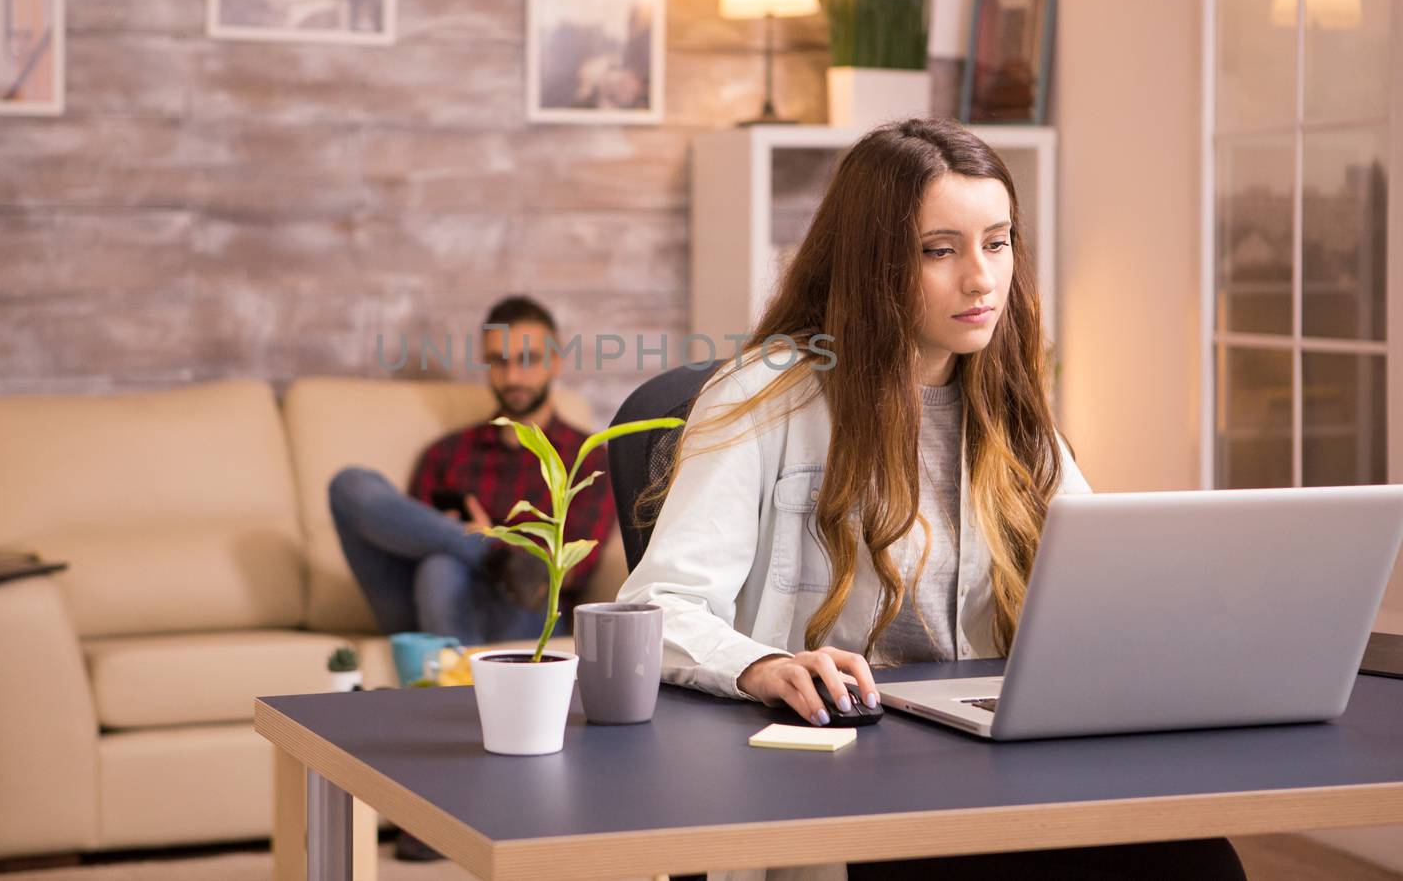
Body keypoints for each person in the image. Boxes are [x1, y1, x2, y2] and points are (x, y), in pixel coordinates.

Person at [618, 119, 1244, 881]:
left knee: (1196, 859)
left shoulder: (1015, 411)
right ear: (873, 263)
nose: (980, 278)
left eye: (998, 241)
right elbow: (659, 604)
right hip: (849, 784)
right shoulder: (762, 399)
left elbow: (1104, 589)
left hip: (995, 769)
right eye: (939, 249)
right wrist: (765, 664)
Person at [328, 295, 615, 648]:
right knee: (349, 485)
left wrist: (496, 542)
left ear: (555, 362)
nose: (512, 377)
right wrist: (477, 540)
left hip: (523, 611)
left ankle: (453, 678)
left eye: (527, 360)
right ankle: (484, 551)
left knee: (442, 567)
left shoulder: (586, 458)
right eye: (499, 361)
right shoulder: (446, 454)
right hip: (426, 602)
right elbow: (410, 539)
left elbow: (571, 572)